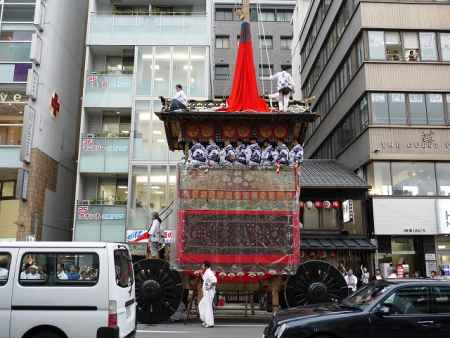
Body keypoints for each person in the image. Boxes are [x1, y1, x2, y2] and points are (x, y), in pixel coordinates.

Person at [198, 261, 217, 328]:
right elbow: (205, 279)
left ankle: (210, 323)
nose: (202, 266)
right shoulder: (207, 272)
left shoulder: (209, 272)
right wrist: (201, 274)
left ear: (205, 266)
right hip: (206, 292)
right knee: (201, 305)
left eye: (203, 265)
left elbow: (214, 281)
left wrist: (209, 288)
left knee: (208, 307)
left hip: (208, 293)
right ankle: (206, 321)